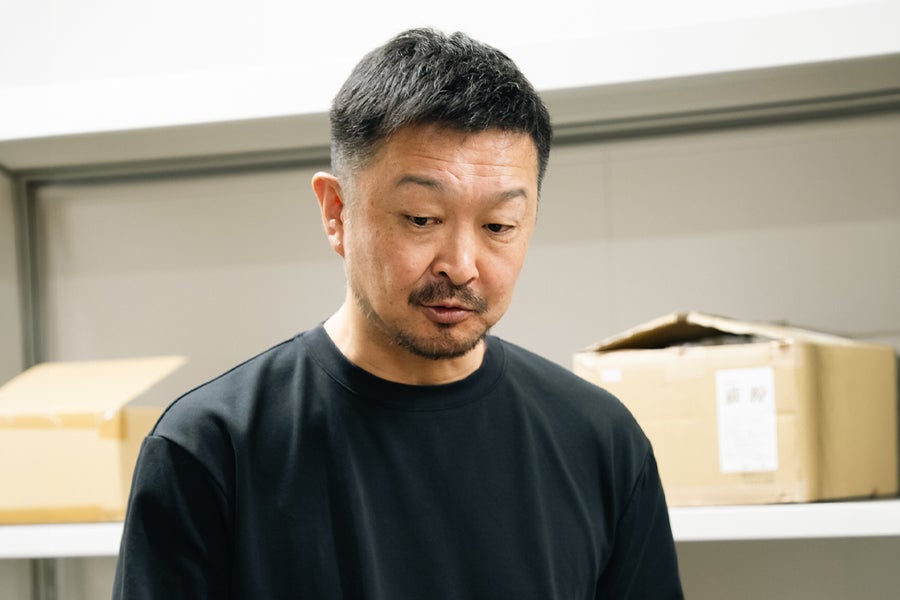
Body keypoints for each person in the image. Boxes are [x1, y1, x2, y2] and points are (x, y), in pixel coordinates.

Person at [113, 28, 683, 599]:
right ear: (336, 211)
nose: (461, 266)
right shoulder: (212, 448)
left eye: (498, 226)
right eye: (421, 219)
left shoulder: (601, 441)